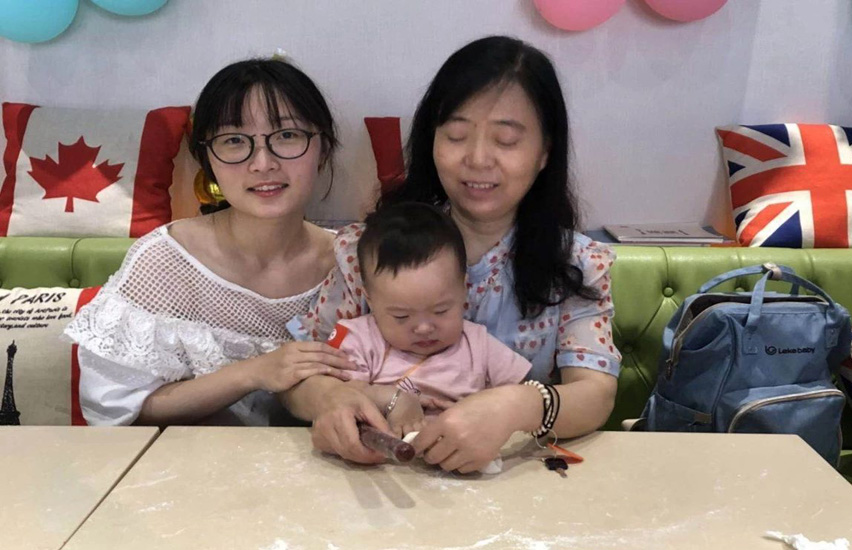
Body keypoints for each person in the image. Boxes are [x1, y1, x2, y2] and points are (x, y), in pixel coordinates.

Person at [282, 36, 621, 473]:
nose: (478, 159)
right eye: (457, 136)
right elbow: (297, 375)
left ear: (544, 153)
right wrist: (331, 398)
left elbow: (595, 394)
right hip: (379, 475)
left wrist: (516, 406)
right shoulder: (368, 250)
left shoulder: (574, 264)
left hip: (509, 480)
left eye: (506, 140)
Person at [65, 58, 355, 426]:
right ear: (207, 158)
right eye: (234, 141)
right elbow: (116, 408)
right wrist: (253, 373)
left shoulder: (352, 263)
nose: (263, 163)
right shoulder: (165, 261)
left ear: (323, 147)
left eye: (287, 135)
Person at [293, 202, 532, 437]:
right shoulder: (359, 340)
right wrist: (394, 400)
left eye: (441, 311)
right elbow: (340, 395)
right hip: (380, 456)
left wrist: (486, 410)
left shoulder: (478, 344)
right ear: (370, 299)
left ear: (463, 289)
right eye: (402, 316)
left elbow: (527, 395)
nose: (424, 328)